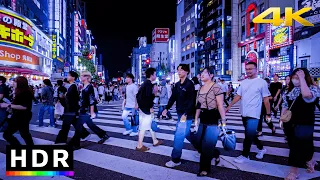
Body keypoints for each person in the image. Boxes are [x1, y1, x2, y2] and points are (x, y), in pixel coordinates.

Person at [226, 62, 270, 163]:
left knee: (248, 135)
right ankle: (261, 148)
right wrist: (229, 106)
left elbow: (266, 100)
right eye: (247, 69)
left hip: (254, 113)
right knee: (251, 134)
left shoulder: (261, 82)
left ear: (256, 69)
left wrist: (268, 114)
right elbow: (238, 96)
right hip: (244, 113)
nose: (248, 71)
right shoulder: (244, 82)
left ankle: (245, 155)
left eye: (250, 69)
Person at [189, 67, 226, 176]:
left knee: (207, 145)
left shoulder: (216, 87)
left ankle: (204, 169)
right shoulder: (200, 88)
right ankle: (215, 153)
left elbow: (220, 105)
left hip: (213, 118)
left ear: (211, 75)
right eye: (202, 72)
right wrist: (196, 119)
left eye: (205, 72)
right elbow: (198, 106)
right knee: (198, 142)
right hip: (203, 118)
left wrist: (223, 120)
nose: (202, 74)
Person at [282, 68, 318, 180]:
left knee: (297, 146)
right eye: (294, 77)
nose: (295, 80)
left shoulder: (312, 89)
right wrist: (282, 117)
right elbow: (284, 104)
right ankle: (310, 160)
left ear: (304, 77)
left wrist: (302, 78)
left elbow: (307, 96)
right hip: (290, 122)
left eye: (297, 77)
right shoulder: (289, 90)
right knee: (300, 144)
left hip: (305, 122)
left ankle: (294, 171)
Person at [162, 64, 195, 168]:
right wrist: (166, 108)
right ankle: (206, 150)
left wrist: (185, 114)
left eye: (181, 70)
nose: (179, 71)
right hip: (180, 113)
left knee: (178, 136)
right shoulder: (177, 85)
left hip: (187, 114)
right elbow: (172, 98)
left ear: (187, 72)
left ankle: (176, 159)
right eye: (178, 70)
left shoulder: (189, 84)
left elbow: (191, 101)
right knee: (188, 135)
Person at [136, 68, 163, 152]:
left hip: (142, 108)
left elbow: (138, 96)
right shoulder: (148, 84)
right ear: (151, 75)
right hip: (146, 109)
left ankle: (155, 141)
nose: (156, 76)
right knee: (143, 127)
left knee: (150, 125)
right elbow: (148, 98)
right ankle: (139, 145)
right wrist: (150, 106)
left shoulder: (144, 83)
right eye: (155, 74)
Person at [2, 76, 34, 145]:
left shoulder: (25, 93)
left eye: (15, 81)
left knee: (7, 134)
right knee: (24, 134)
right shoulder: (19, 91)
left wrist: (8, 105)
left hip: (21, 116)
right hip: (21, 116)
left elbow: (24, 107)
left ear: (20, 83)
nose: (13, 83)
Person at [55, 71, 82, 150]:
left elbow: (74, 100)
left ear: (73, 78)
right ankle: (66, 142)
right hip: (69, 110)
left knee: (66, 127)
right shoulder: (71, 87)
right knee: (68, 127)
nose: (67, 76)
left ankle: (73, 144)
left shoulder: (73, 87)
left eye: (68, 75)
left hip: (70, 111)